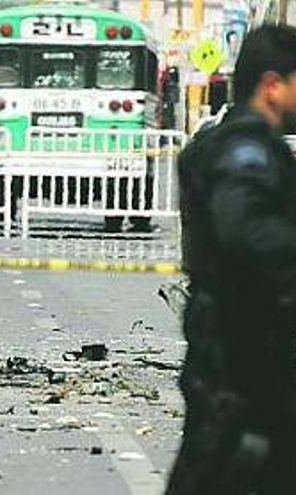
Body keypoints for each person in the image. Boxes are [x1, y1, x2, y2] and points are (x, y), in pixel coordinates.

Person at [168, 24, 296, 494]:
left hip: (238, 347)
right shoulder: (246, 151)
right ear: (272, 86)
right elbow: (243, 227)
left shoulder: (223, 144)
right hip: (242, 351)